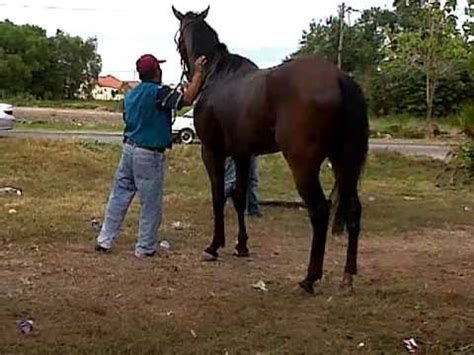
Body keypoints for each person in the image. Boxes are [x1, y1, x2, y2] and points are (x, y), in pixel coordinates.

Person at [95, 54, 207, 257]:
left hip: (128, 149)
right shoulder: (159, 93)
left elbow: (128, 118)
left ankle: (104, 240)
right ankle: (145, 247)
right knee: (150, 203)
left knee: (119, 197)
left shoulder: (131, 94)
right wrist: (198, 73)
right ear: (156, 71)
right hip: (149, 154)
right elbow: (188, 99)